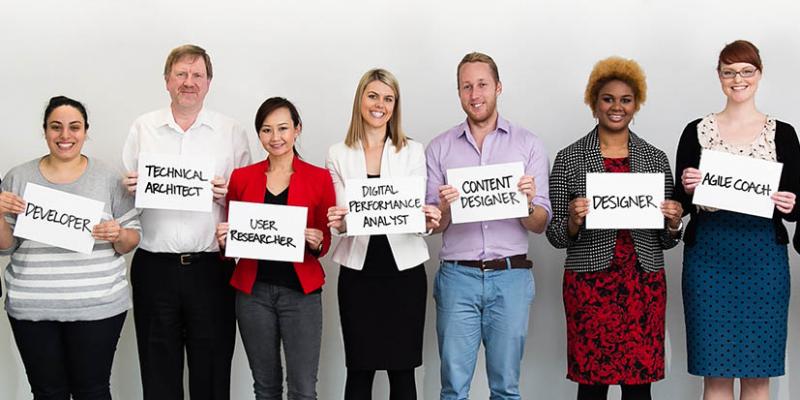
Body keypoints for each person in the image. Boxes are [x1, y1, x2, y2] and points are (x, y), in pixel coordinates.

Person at [546, 57, 683, 400]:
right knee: (591, 386)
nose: (616, 106)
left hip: (643, 284)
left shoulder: (655, 159)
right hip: (590, 286)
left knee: (639, 387)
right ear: (594, 104)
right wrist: (574, 222)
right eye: (608, 98)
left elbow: (666, 240)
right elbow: (554, 235)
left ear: (636, 105)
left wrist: (673, 222)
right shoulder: (570, 158)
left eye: (625, 99)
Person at [121, 44, 251, 400]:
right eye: (181, 74)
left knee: (212, 372)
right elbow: (127, 200)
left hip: (211, 269)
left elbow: (247, 200)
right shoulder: (143, 127)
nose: (188, 82)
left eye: (197, 75)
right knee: (157, 372)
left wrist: (227, 194)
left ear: (209, 82)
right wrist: (129, 186)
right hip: (154, 267)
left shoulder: (232, 131)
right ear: (167, 81)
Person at [675, 40, 799, 400]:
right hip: (708, 258)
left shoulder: (784, 133)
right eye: (729, 72)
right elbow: (680, 204)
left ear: (759, 75)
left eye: (746, 71)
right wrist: (687, 187)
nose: (737, 79)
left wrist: (791, 203)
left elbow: (797, 202)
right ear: (719, 77)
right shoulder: (696, 130)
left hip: (764, 259)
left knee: (759, 376)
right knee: (714, 375)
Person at [425, 52, 551, 400]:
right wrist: (444, 209)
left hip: (510, 277)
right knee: (453, 388)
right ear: (459, 92)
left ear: (498, 87)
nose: (475, 94)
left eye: (482, 85)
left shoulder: (528, 144)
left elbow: (540, 223)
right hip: (457, 278)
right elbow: (432, 226)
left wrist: (526, 203)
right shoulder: (439, 148)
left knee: (506, 388)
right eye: (466, 87)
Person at [0, 96, 141, 399]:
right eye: (56, 127)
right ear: (45, 131)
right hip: (32, 307)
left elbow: (132, 239)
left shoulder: (109, 178)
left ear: (86, 131)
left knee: (92, 391)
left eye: (74, 127)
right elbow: (5, 247)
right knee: (47, 392)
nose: (65, 136)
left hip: (97, 306)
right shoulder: (18, 177)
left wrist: (118, 233)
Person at [326, 68, 441, 400]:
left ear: (396, 105)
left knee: (402, 373)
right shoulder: (337, 154)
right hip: (358, 274)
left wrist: (428, 219)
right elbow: (344, 220)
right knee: (359, 372)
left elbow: (415, 216)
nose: (380, 105)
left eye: (388, 98)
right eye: (373, 96)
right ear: (360, 99)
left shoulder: (412, 151)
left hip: (404, 274)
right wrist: (340, 222)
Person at [215, 97, 335, 400]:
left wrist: (317, 239)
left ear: (297, 130)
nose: (275, 137)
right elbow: (234, 237)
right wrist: (224, 241)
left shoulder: (319, 178)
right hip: (253, 294)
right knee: (265, 388)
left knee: (303, 389)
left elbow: (325, 241)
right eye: (266, 130)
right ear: (259, 135)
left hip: (301, 295)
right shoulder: (242, 178)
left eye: (283, 128)